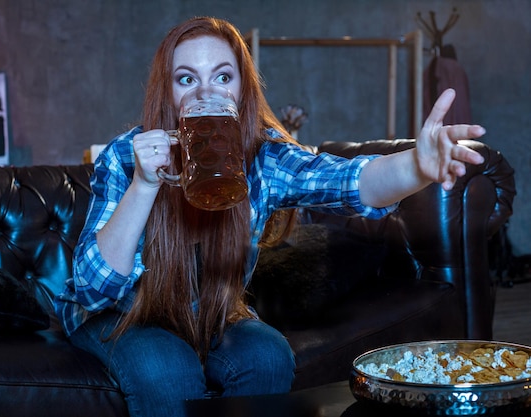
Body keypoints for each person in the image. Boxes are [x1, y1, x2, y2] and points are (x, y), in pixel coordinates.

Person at [54, 16, 486, 417]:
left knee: (268, 354)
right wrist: (144, 186)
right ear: (166, 93)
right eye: (186, 79)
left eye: (222, 77)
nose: (206, 95)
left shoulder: (263, 158)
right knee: (165, 367)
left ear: (242, 90)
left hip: (211, 315)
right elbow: (94, 290)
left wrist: (416, 165)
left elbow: (350, 181)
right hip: (122, 314)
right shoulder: (127, 157)